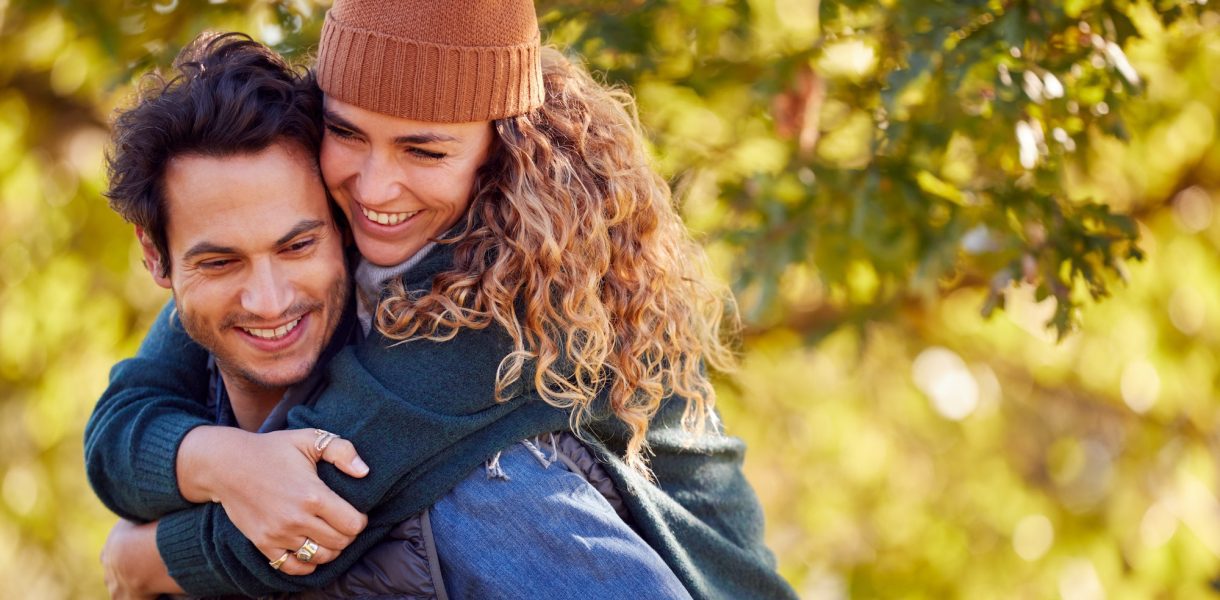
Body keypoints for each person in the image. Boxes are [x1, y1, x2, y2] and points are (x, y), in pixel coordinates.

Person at [86, 1, 797, 598]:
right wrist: (218, 460)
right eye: (346, 132)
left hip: (683, 580)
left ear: (502, 148)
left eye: (424, 152)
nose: (373, 188)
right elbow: (125, 419)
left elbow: (310, 522)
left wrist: (137, 557)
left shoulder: (525, 300)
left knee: (476, 489)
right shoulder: (317, 225)